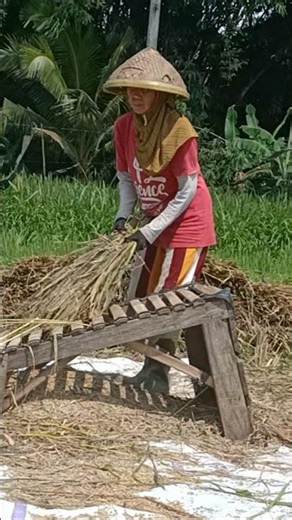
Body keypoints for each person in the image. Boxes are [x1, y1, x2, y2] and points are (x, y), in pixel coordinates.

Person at [103, 47, 216, 394]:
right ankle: (152, 369)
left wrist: (149, 230)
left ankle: (159, 374)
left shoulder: (179, 131)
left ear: (160, 93)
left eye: (144, 89)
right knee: (143, 296)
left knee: (168, 299)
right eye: (130, 89)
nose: (136, 95)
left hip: (186, 225)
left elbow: (187, 190)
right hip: (152, 225)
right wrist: (124, 217)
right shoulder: (124, 127)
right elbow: (125, 177)